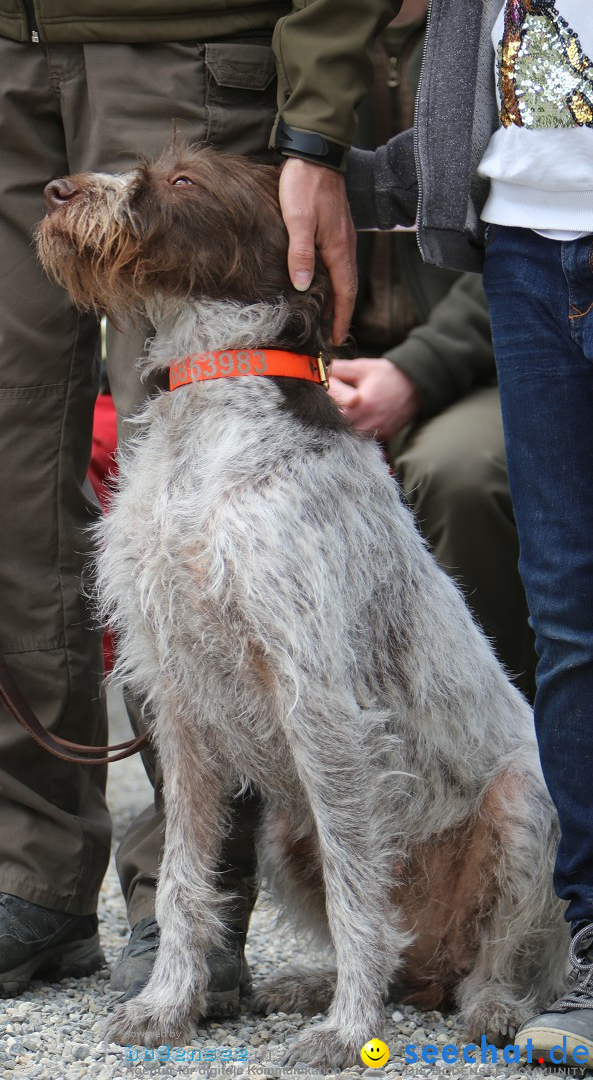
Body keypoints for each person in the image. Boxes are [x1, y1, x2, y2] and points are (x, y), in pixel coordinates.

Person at [0, 0, 401, 1005]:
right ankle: (22, 876)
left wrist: (319, 120)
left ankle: (189, 901)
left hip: (186, 44)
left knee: (212, 506)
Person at [347, 0, 593, 1063]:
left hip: (477, 321)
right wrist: (302, 157)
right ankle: (592, 945)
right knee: (571, 616)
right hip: (526, 233)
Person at [329, 0, 536, 703]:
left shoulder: (490, 26)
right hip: (329, 364)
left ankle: (492, 740)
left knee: (460, 473)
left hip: (492, 358)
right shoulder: (303, 43)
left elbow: (531, 229)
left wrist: (417, 372)